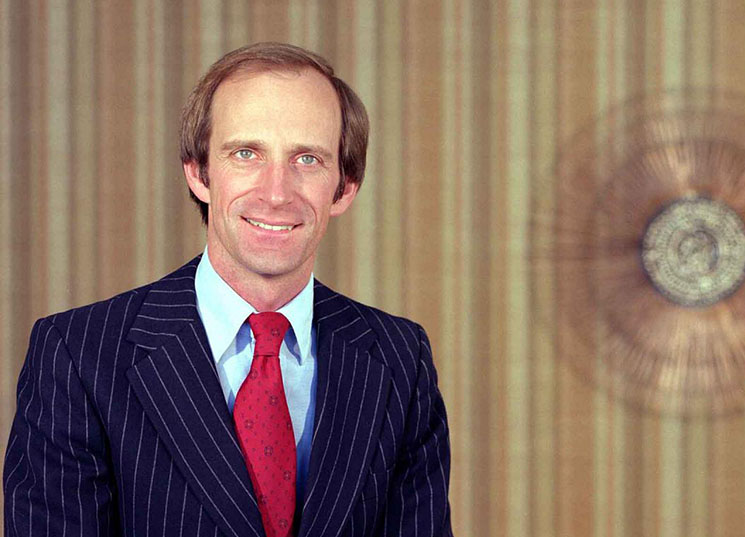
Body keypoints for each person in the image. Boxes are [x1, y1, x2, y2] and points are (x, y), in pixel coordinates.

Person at [4, 42, 452, 537]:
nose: (276, 192)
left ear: (344, 187)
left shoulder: (401, 361)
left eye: (307, 158)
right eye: (246, 153)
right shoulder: (78, 355)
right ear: (199, 173)